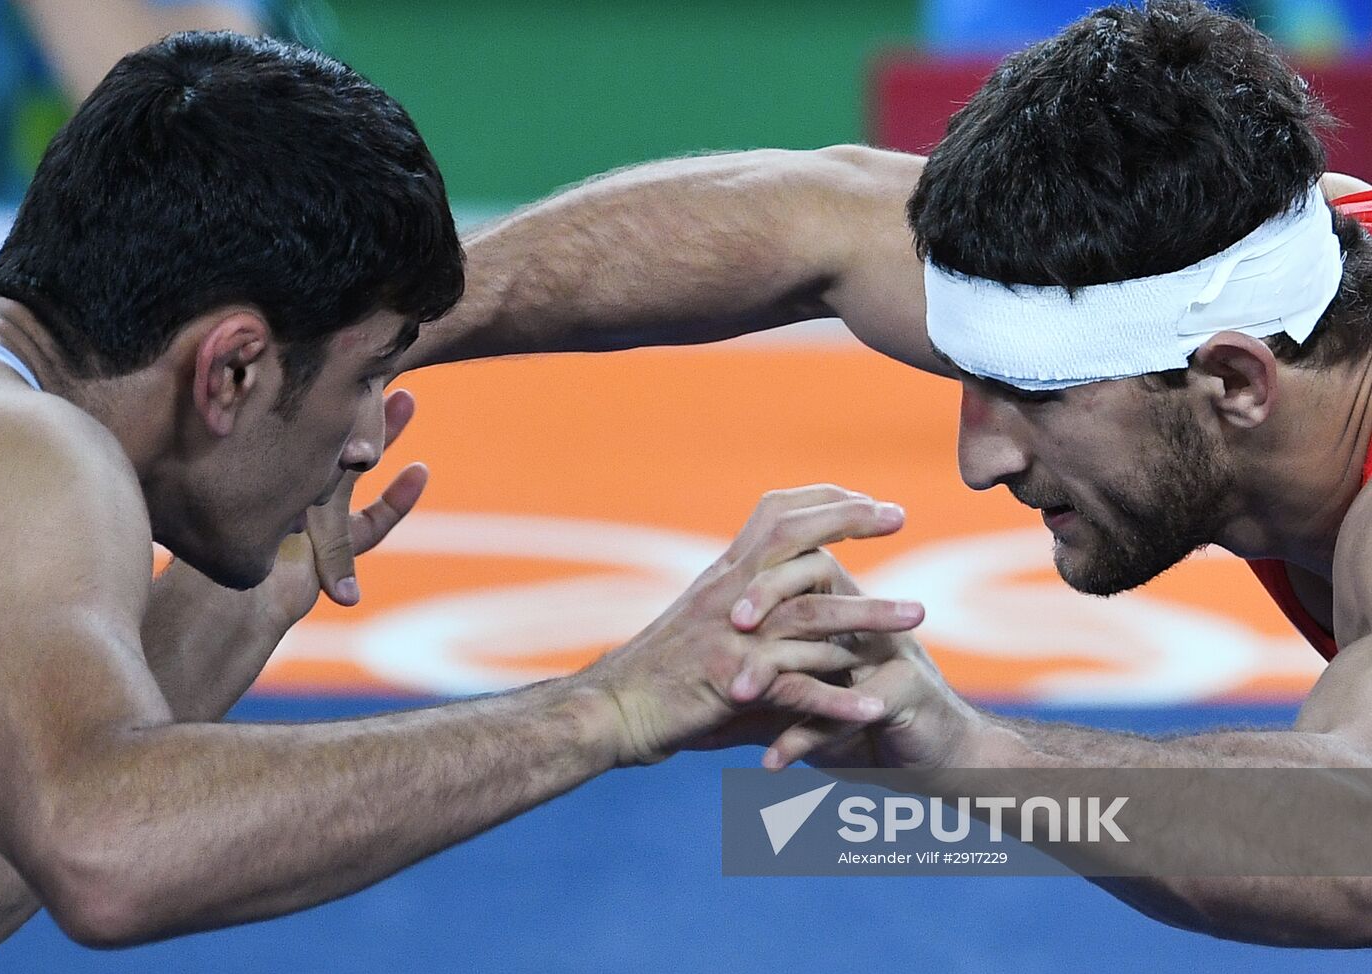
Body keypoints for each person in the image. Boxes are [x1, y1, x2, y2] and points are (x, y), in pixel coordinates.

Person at [370, 0, 1372, 946]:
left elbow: (1347, 845)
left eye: (1036, 395)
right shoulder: (1249, 270)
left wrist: (969, 747)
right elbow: (807, 217)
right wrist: (368, 348)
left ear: (1235, 381)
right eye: (969, 376)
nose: (979, 459)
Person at [0, 31, 925, 958]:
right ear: (230, 372)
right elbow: (102, 854)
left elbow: (12, 849)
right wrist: (611, 704)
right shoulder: (31, 451)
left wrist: (243, 588)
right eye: (367, 378)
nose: (366, 441)